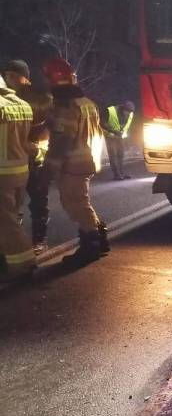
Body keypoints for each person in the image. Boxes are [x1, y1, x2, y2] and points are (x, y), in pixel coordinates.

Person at [43, 58, 109, 268]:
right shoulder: (87, 102)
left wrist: (48, 169)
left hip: (73, 164)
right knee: (82, 202)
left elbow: (62, 141)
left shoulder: (66, 106)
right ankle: (100, 239)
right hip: (87, 161)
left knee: (76, 204)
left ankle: (91, 247)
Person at [2, 59, 53, 253]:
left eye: (14, 76)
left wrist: (37, 148)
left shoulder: (42, 100)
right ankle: (16, 242)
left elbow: (51, 127)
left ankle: (39, 240)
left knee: (39, 202)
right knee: (13, 207)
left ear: (26, 78)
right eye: (7, 76)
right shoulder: (6, 100)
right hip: (15, 162)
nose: (10, 79)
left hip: (36, 160)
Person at [0, 74, 36, 282]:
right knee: (12, 216)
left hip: (2, 174)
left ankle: (23, 263)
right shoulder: (23, 105)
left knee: (7, 222)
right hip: (20, 171)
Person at [101, 99, 134, 180]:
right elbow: (101, 123)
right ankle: (117, 175)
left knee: (121, 155)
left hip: (120, 137)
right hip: (110, 137)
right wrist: (113, 131)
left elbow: (126, 125)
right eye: (127, 111)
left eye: (130, 112)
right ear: (123, 108)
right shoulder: (110, 111)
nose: (128, 114)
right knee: (113, 155)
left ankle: (121, 173)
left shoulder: (130, 113)